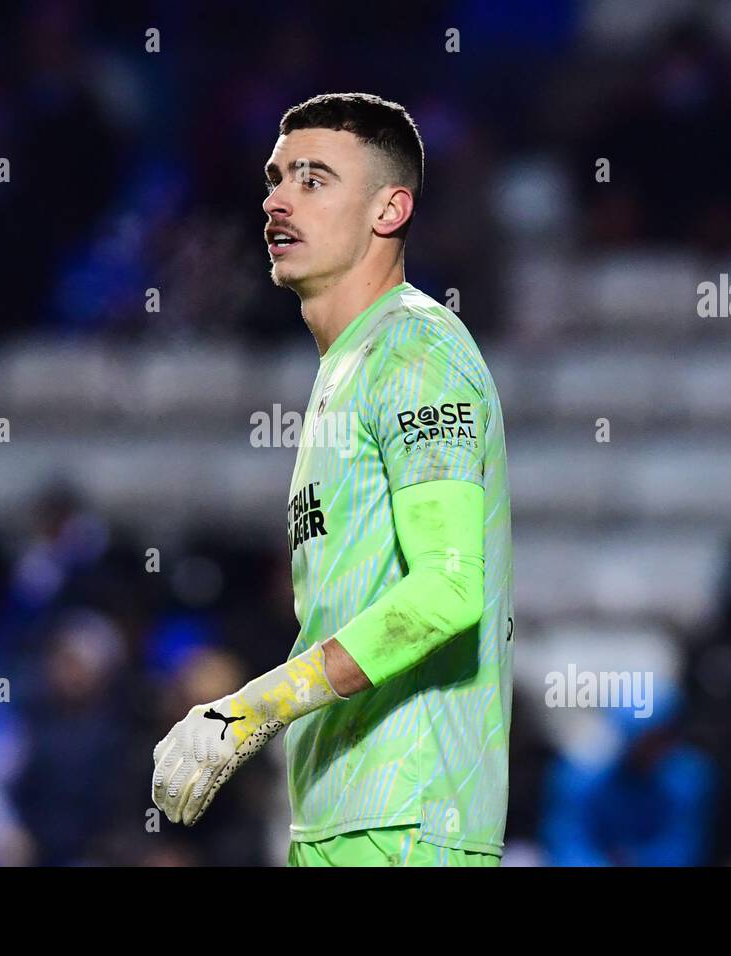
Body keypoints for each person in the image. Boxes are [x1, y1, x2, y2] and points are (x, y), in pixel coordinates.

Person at [151, 92, 514, 866]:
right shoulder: (346, 368)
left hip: (407, 821)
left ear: (390, 210)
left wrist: (253, 708)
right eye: (276, 178)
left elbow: (448, 588)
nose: (277, 199)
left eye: (314, 180)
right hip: (342, 815)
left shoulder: (418, 352)